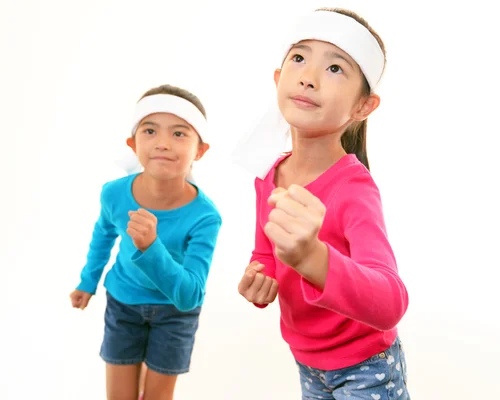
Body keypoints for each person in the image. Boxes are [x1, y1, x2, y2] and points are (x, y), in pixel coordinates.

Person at [235, 8, 411, 399]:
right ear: (279, 78)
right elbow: (266, 251)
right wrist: (259, 275)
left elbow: (391, 301)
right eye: (299, 58)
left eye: (335, 69)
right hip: (308, 361)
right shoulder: (267, 176)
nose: (308, 77)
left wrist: (312, 257)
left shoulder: (354, 190)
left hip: (368, 368)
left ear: (363, 107)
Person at [70, 84, 222, 400]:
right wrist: (88, 281)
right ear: (133, 144)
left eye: (179, 134)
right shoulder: (114, 193)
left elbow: (189, 295)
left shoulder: (205, 217)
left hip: (174, 315)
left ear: (200, 150)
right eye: (150, 131)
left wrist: (151, 248)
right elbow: (103, 236)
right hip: (123, 304)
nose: (163, 143)